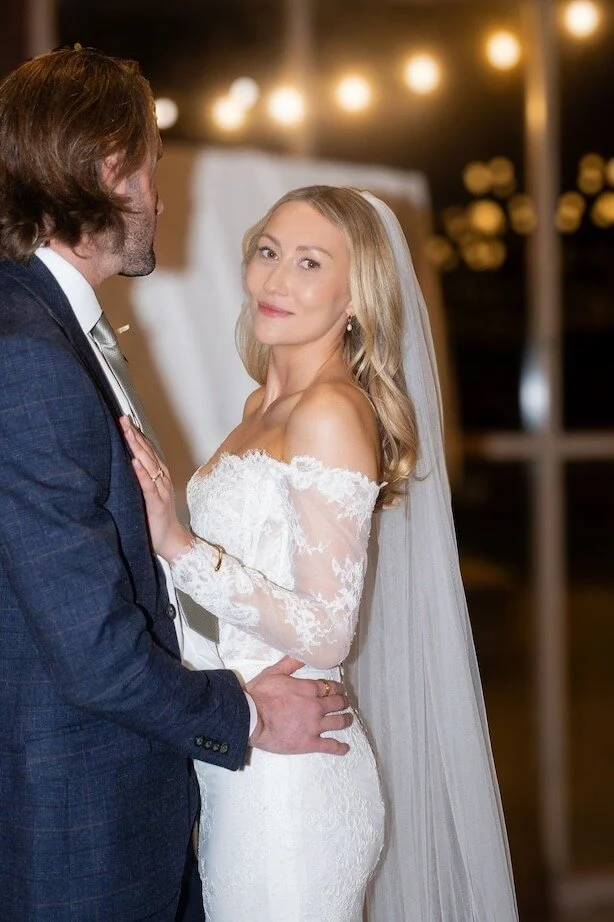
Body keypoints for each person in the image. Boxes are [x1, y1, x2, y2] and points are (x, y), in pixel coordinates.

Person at [0, 50, 352, 922]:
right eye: (153, 168)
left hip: (134, 802)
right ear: (112, 169)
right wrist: (248, 715)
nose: (160, 198)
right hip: (79, 830)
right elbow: (90, 648)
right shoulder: (27, 354)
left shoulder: (44, 327)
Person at [124, 185, 519, 921]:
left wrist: (176, 543)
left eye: (309, 263)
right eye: (268, 252)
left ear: (354, 297)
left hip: (294, 782)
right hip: (248, 750)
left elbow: (328, 630)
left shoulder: (332, 412)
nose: (275, 280)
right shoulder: (260, 407)